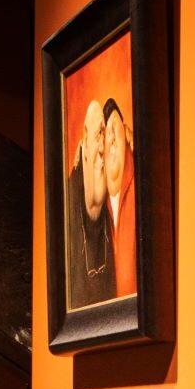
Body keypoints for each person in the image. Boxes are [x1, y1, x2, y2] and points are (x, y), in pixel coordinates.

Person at [64, 99, 115, 308]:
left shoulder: (112, 210)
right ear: (84, 140)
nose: (102, 152)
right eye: (97, 136)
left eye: (105, 137)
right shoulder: (68, 204)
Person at [102, 98, 137, 299]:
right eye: (107, 133)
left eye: (116, 128)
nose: (113, 139)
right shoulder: (100, 205)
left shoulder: (139, 186)